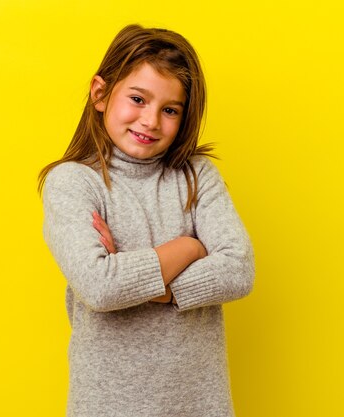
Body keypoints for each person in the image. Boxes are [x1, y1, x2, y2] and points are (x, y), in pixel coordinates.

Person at [38, 24, 255, 417]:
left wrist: (144, 280)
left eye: (169, 109)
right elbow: (100, 286)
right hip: (106, 406)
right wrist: (189, 247)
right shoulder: (71, 182)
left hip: (198, 404)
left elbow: (239, 269)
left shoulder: (196, 175)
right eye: (138, 99)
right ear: (100, 93)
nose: (151, 121)